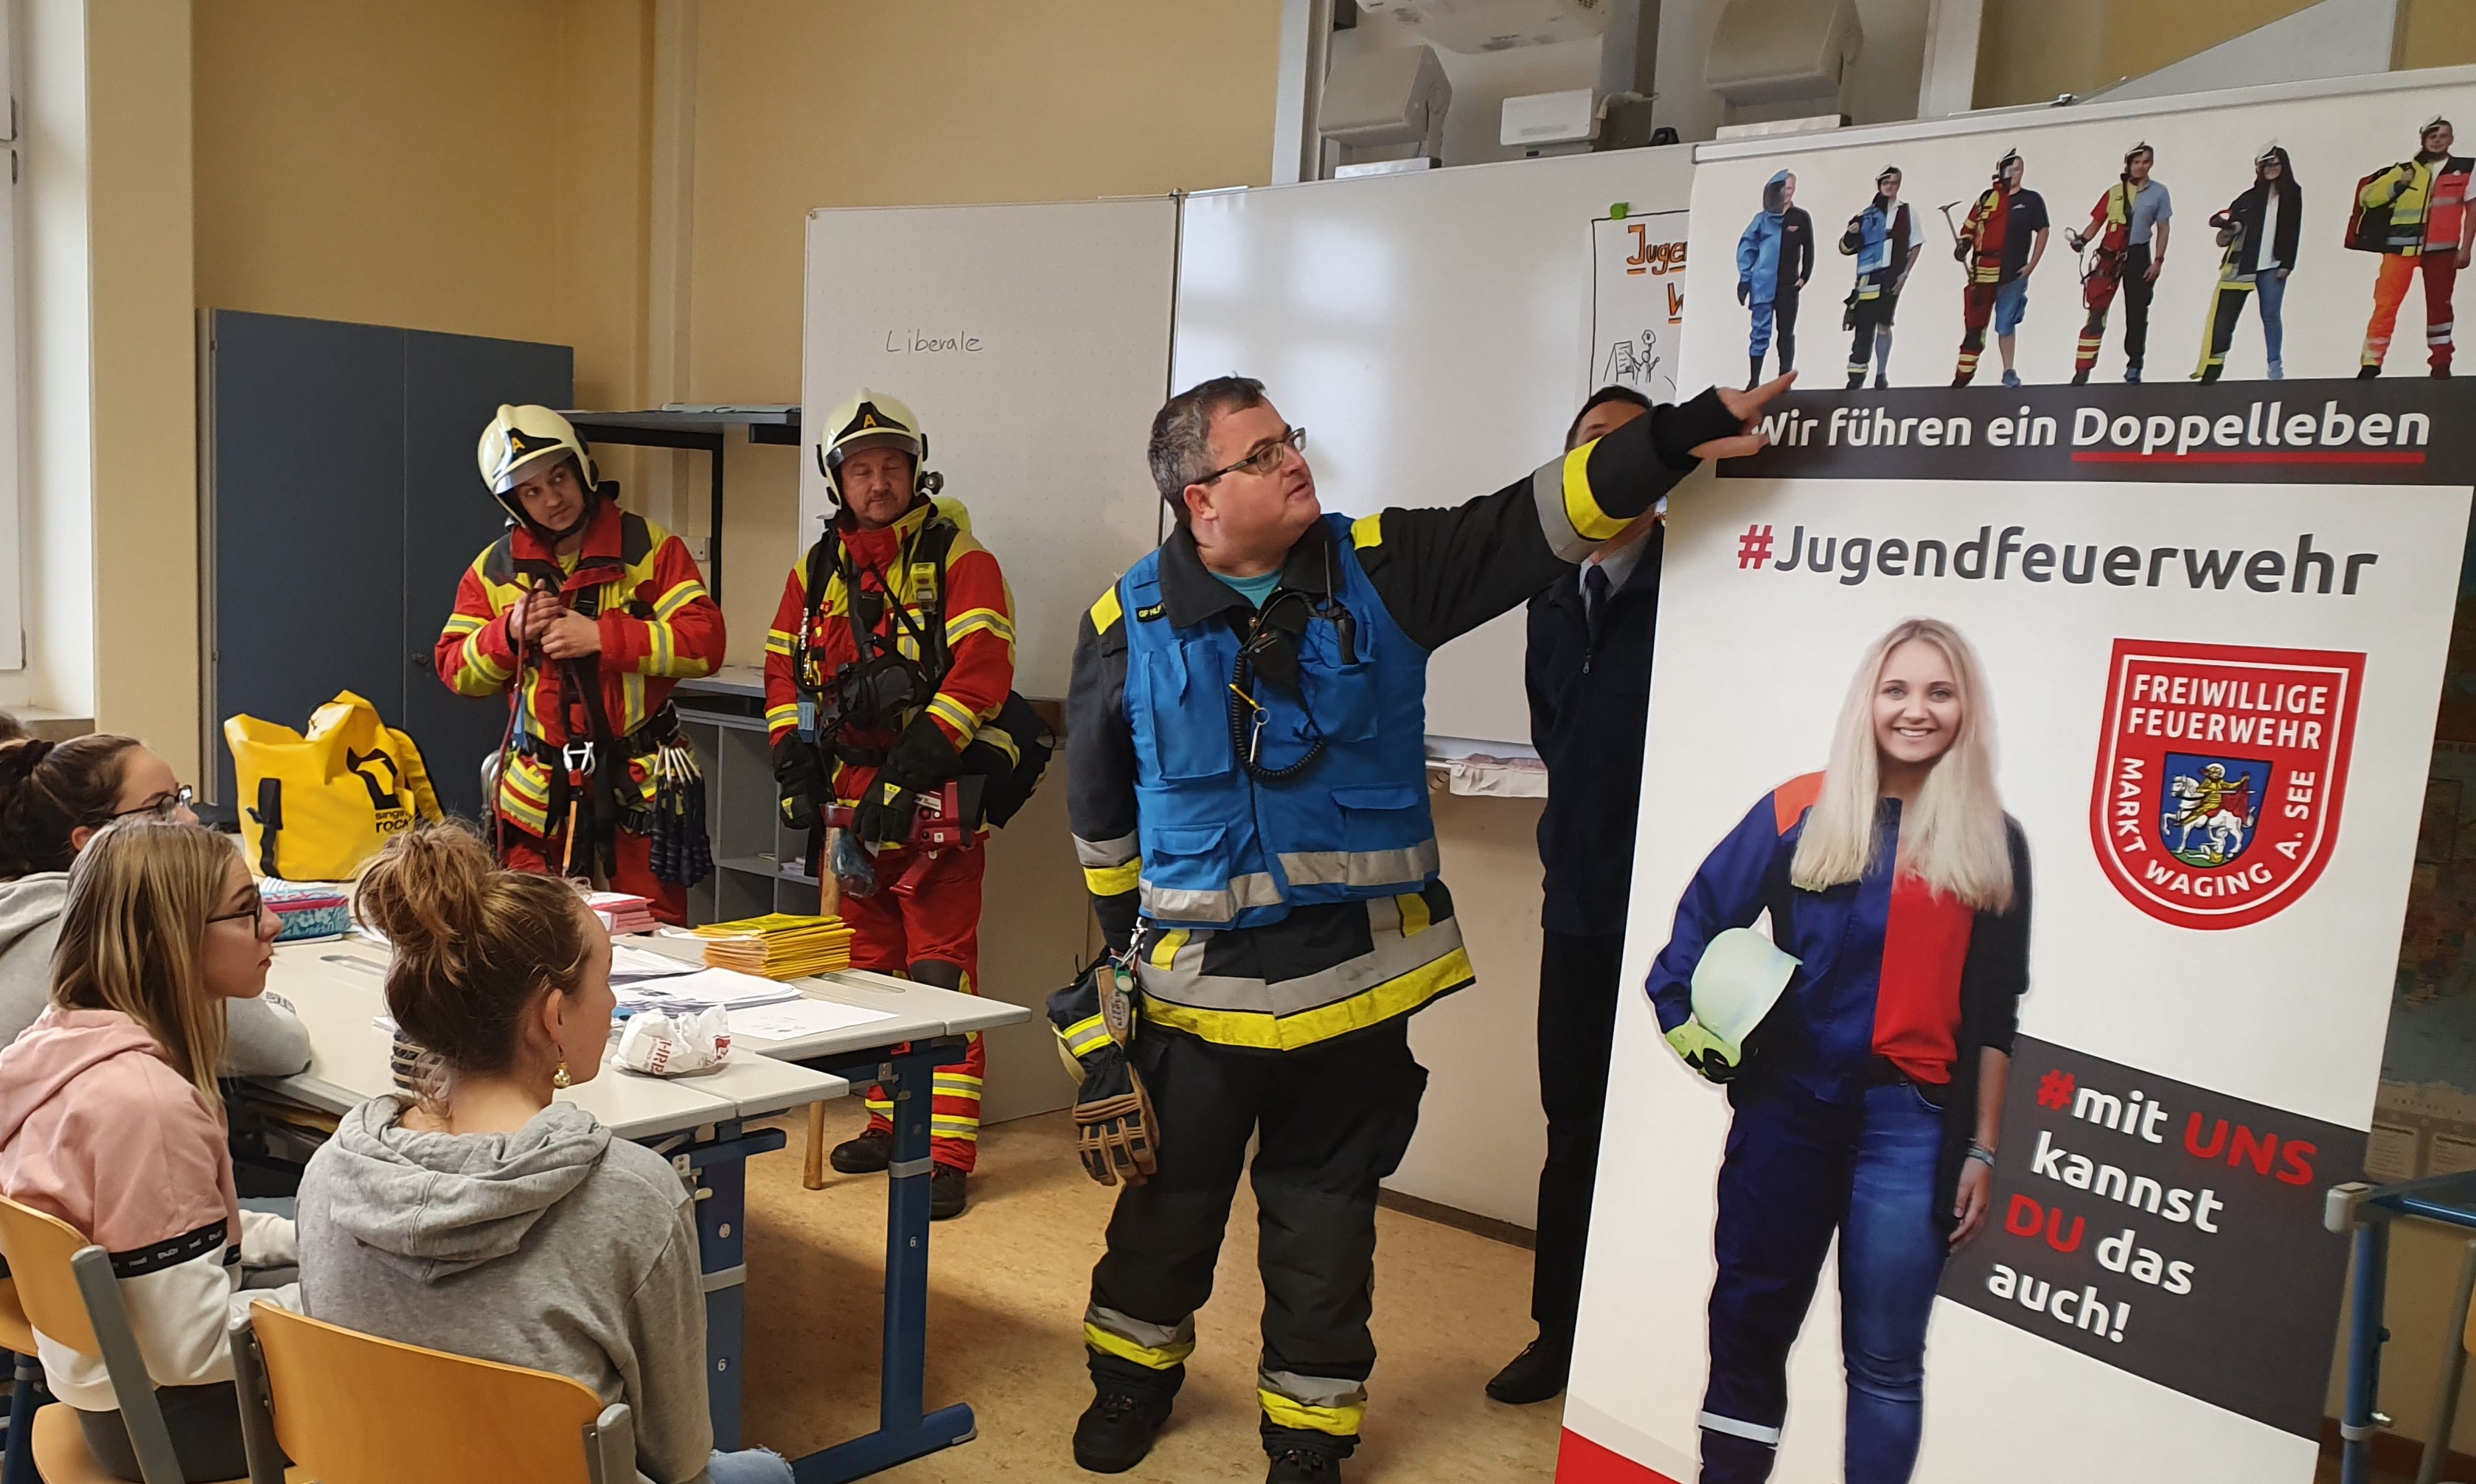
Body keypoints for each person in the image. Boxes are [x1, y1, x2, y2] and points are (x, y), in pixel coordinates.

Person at [1054, 371, 1784, 1483]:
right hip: (1196, 1001)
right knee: (1167, 1214)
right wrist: (1120, 963)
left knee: (1324, 1228)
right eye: (1261, 455)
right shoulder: (1125, 625)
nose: (1294, 462)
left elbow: (1538, 516)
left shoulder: (1383, 568)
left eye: (1289, 439)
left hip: (1357, 992)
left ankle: (1309, 1435)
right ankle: (1129, 1383)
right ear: (1199, 499)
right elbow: (1101, 817)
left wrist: (1683, 434)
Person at [296, 823, 793, 1484]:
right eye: (606, 981)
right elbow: (677, 1456)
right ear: (553, 1017)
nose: (612, 1003)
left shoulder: (329, 1174)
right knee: (764, 1473)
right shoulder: (634, 1197)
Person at [1651, 619, 2030, 1484]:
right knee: (1749, 1326)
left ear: (1966, 709)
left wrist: (1981, 1147)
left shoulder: (1993, 841)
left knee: (1886, 1361)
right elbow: (1698, 926)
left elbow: (1995, 1015)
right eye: (1897, 689)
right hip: (1786, 1113)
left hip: (1911, 1129)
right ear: (1869, 701)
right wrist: (1698, 1033)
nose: (1916, 710)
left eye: (1939, 692)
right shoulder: (1798, 808)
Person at [765, 389, 1026, 1222]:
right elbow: (784, 676)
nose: (877, 483)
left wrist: (908, 774)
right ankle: (886, 1120)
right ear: (837, 481)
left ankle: (943, 1150)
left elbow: (980, 675)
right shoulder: (814, 571)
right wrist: (794, 767)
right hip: (849, 801)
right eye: (860, 470)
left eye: (891, 466)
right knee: (868, 972)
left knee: (939, 973)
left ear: (917, 471)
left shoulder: (961, 560)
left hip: (934, 795)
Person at [0, 819, 299, 1482]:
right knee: (424, 1361)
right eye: (247, 911)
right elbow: (192, 1348)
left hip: (114, 1400)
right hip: (177, 1425)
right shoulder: (148, 1107)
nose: (273, 925)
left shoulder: (58, 1043)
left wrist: (308, 1241)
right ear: (169, 942)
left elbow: (175, 1246)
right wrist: (340, 1301)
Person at [1485, 386, 1665, 1408]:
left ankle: (1648, 1342)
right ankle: (1559, 1332)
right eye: (1593, 445)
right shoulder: (1549, 593)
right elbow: (1556, 737)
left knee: (1672, 1127)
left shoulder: (1695, 581)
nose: (1613, 459)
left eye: (1633, 444)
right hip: (1581, 905)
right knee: (1575, 1127)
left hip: (1678, 910)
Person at [436, 404, 725, 923]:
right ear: (512, 502)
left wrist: (602, 636)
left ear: (582, 468)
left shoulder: (648, 549)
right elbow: (456, 670)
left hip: (639, 784)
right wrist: (507, 633)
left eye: (558, 478)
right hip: (536, 792)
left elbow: (706, 643)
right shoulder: (495, 570)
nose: (552, 499)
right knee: (535, 933)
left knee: (650, 933)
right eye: (531, 491)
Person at [0, 735, 307, 1069]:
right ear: (90, 841)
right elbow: (281, 1049)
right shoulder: (112, 928)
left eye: (180, 798)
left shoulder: (28, 905)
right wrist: (273, 1002)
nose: (191, 819)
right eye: (160, 807)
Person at [2356, 116, 2474, 377]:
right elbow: (2368, 198)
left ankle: (2441, 362)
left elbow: (2472, 209)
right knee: (2386, 304)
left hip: (2442, 250)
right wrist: (2400, 184)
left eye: (2443, 135)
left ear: (2451, 139)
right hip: (2400, 249)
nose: (2437, 140)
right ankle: (2371, 362)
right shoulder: (2404, 169)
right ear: (2423, 139)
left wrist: (2466, 248)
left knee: (2440, 307)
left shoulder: (2467, 168)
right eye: (2432, 136)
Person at [2195, 145, 2302, 383]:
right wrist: (2228, 228)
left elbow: (2293, 229)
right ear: (2259, 168)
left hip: (2274, 265)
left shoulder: (2293, 194)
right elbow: (2230, 228)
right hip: (2242, 267)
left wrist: (2287, 263)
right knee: (2226, 317)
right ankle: (2214, 366)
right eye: (2267, 164)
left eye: (2275, 164)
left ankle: (2275, 366)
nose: (2271, 168)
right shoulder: (2249, 197)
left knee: (2270, 315)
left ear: (2284, 166)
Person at [2068, 143, 2173, 385]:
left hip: (2138, 256)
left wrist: (2158, 261)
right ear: (2128, 163)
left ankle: (2134, 365)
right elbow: (2096, 222)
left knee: (2137, 313)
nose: (2140, 167)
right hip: (2109, 256)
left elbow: (2163, 228)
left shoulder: (2159, 192)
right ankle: (2083, 370)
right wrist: (2082, 240)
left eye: (2145, 162)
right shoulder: (2114, 192)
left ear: (2151, 163)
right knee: (2096, 312)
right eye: (2136, 162)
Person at [1952, 150, 2050, 389]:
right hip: (1983, 273)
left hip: (2014, 274)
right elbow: (1969, 227)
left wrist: (2032, 265)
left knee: (2006, 324)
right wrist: (1963, 244)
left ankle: (2008, 371)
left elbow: (2043, 231)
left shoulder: (2031, 200)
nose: (2013, 174)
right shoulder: (1986, 199)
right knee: (1975, 326)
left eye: (2017, 169)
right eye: (2009, 169)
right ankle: (1964, 375)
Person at [1839, 166, 1919, 389]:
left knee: (1884, 324)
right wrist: (1851, 234)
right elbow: (1845, 248)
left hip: (1891, 279)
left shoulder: (1907, 212)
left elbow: (1916, 245)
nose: (1890, 187)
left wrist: (1905, 273)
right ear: (1879, 185)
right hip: (1867, 281)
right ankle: (1856, 379)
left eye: (1894, 183)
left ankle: (1881, 374)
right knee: (1863, 329)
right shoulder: (1864, 216)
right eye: (1886, 183)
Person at [1738, 171, 1814, 389]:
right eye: (1782, 189)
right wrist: (1745, 279)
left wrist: (1804, 277)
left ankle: (1784, 379)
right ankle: (1754, 380)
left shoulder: (1800, 217)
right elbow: (1747, 247)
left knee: (1786, 333)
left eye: (1789, 189)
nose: (1785, 193)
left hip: (1788, 286)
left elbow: (1808, 248)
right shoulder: (1761, 220)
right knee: (1759, 333)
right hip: (1762, 285)